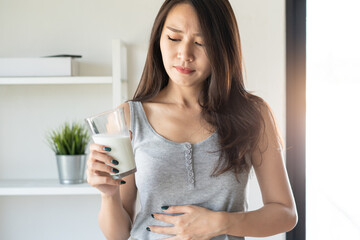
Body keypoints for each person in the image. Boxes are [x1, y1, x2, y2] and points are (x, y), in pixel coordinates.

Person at [86, 0, 298, 239]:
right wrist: (108, 195)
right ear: (158, 39)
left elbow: (285, 213)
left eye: (201, 42)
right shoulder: (128, 117)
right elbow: (118, 234)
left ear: (222, 47)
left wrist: (220, 222)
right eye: (174, 38)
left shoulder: (253, 114)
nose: (184, 54)